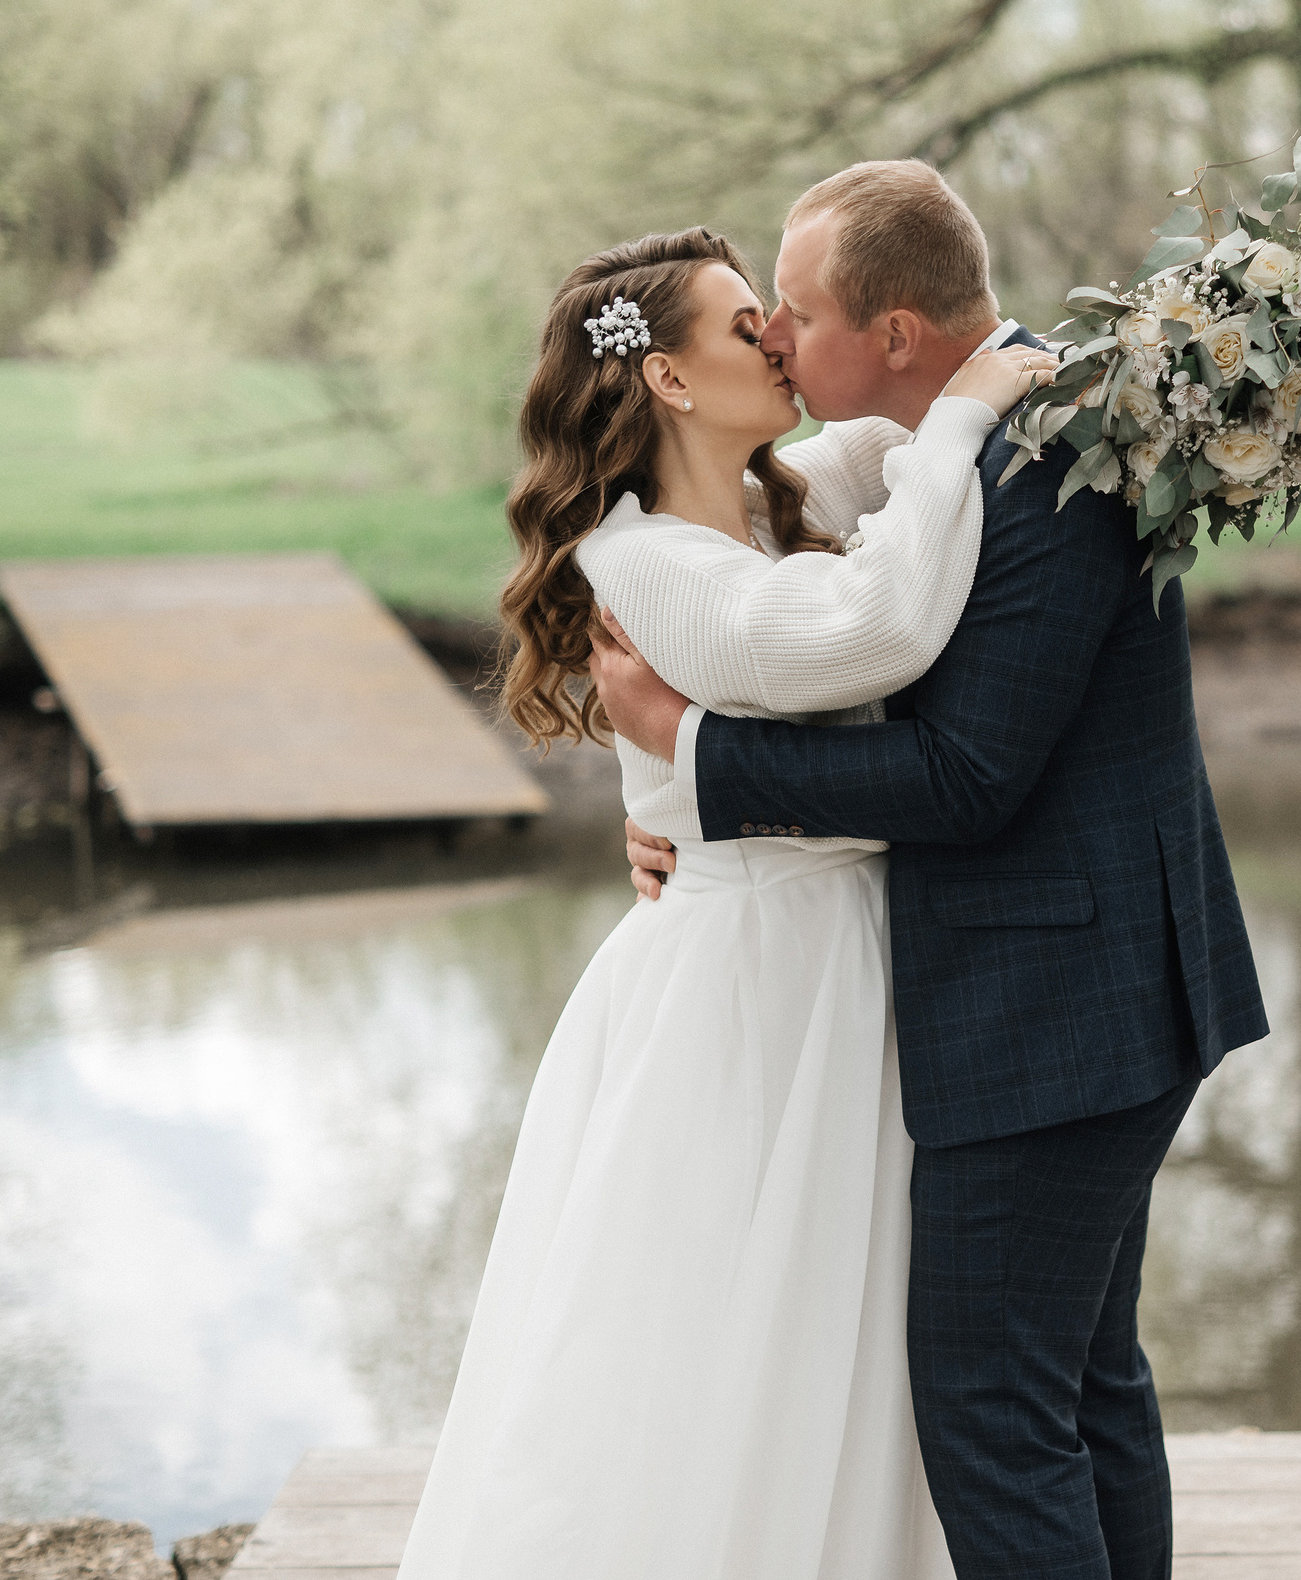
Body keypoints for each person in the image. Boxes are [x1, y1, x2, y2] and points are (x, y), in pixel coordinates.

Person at [591, 161, 1266, 1580]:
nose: (776, 333)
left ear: (894, 334)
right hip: (1086, 988)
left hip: (1059, 1010)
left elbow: (963, 777)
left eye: (796, 307)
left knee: (993, 1410)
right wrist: (666, 791)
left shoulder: (1035, 465)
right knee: (1080, 1387)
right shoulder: (964, 454)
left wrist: (696, 760)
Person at [394, 217, 1053, 1580]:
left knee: (850, 1347)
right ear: (672, 382)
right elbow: (873, 627)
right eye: (749, 317)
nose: (778, 335)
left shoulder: (766, 499)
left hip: (845, 966)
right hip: (753, 993)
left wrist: (963, 370)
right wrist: (963, 421)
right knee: (725, 1339)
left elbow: (887, 431)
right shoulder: (642, 570)